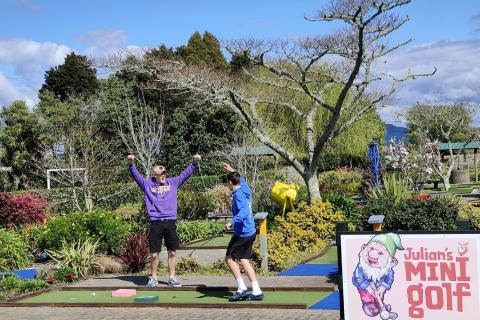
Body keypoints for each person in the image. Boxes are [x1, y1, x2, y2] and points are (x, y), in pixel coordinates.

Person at [127, 154, 201, 287]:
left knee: (172, 252)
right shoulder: (147, 184)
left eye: (164, 173)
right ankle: (154, 278)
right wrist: (131, 164)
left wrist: (194, 162)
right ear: (155, 175)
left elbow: (185, 174)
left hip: (170, 222)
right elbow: (136, 176)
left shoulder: (173, 182)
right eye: (160, 174)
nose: (163, 176)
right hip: (156, 222)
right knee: (154, 253)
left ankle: (172, 278)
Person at [222, 162, 263, 301]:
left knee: (229, 259)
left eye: (227, 183)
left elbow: (244, 211)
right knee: (244, 259)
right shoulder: (245, 188)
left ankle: (242, 289)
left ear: (230, 182)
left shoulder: (239, 195)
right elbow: (241, 179)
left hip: (243, 234)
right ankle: (257, 291)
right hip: (250, 231)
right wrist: (232, 170)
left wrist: (231, 222)